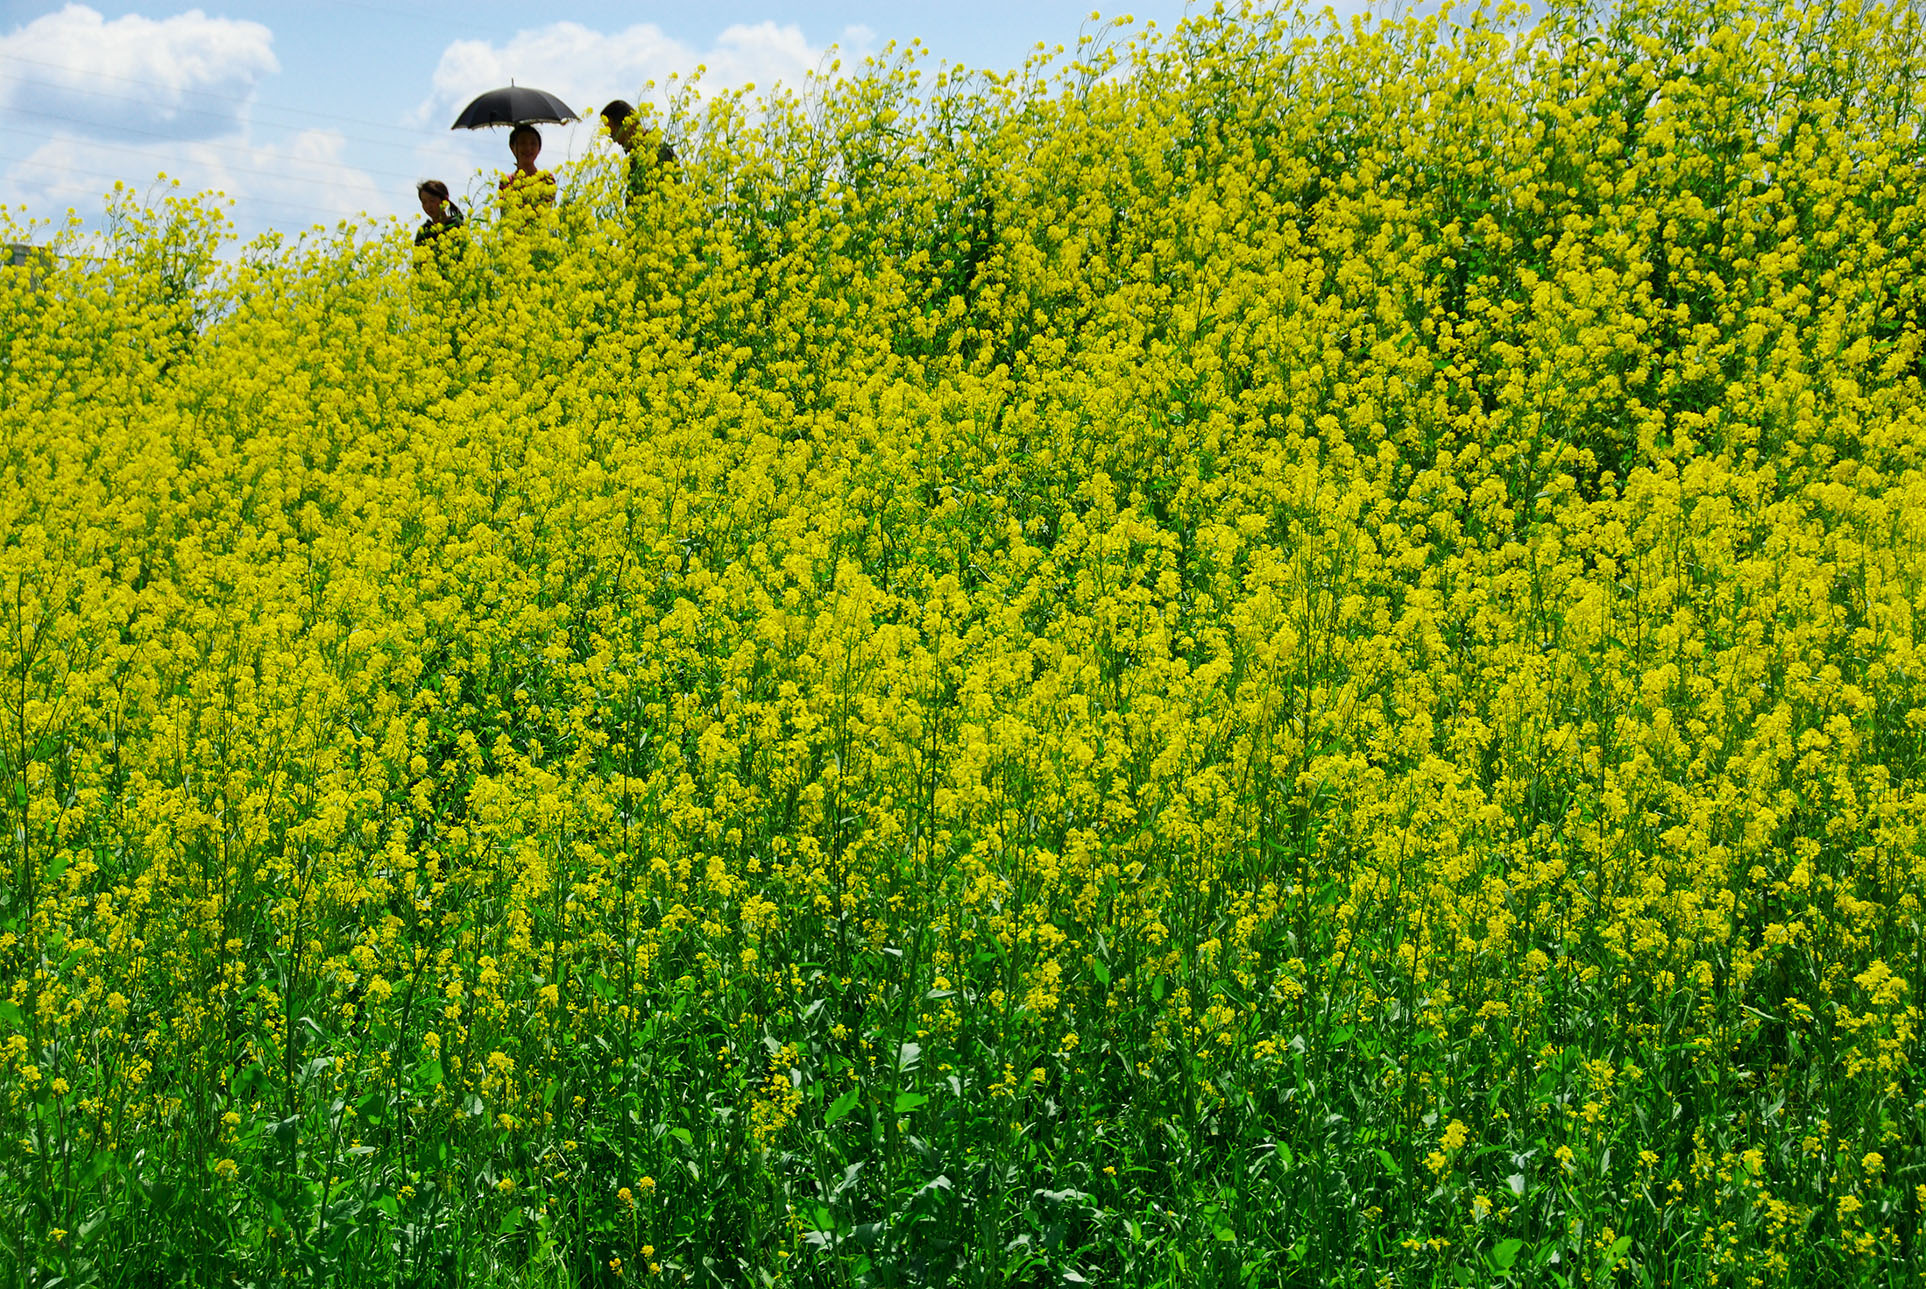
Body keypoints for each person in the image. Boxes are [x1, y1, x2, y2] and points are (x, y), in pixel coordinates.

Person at [601, 99, 676, 208]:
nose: (615, 141)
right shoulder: (636, 159)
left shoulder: (659, 151)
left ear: (630, 124)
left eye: (614, 133)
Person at [499, 123, 557, 212]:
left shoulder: (546, 179)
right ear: (512, 147)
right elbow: (505, 213)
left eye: (533, 143)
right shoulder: (506, 181)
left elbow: (546, 211)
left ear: (539, 148)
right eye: (522, 143)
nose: (528, 148)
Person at [414, 179, 465, 246]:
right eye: (424, 202)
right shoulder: (424, 231)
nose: (428, 206)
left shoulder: (456, 224)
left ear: (444, 200)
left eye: (432, 200)